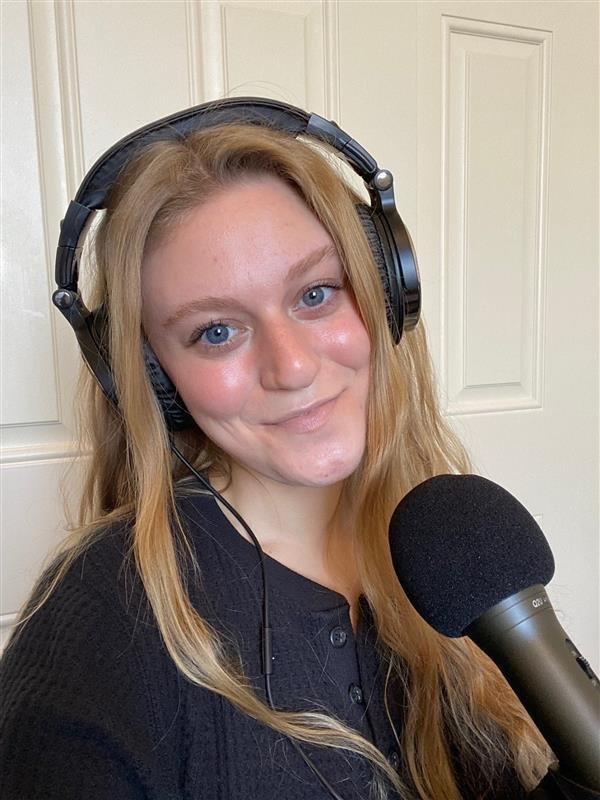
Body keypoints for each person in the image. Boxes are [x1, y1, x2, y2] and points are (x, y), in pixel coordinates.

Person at [1, 100, 560, 800]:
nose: (291, 367)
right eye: (216, 332)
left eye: (317, 293)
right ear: (151, 378)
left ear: (386, 292)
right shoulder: (101, 627)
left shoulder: (449, 546)